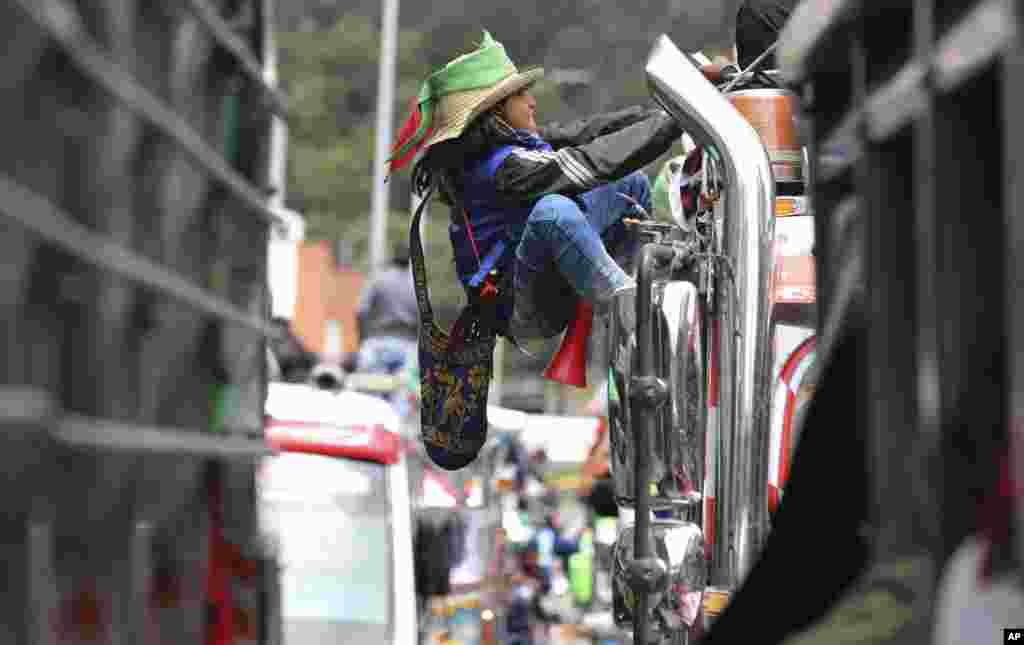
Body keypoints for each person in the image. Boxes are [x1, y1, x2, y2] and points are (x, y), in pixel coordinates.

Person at [390, 31, 683, 343]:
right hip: (519, 305)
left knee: (631, 185)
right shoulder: (505, 168)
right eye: (521, 95)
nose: (532, 101)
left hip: (547, 275)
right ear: (495, 112)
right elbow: (589, 163)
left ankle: (636, 288)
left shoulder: (518, 147)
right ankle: (627, 306)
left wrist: (678, 110)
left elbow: (587, 132)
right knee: (552, 211)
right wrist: (675, 123)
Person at [354, 243, 418, 374]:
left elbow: (360, 311)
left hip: (377, 342)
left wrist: (363, 340)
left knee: (370, 389)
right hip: (407, 345)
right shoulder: (417, 285)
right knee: (405, 390)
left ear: (393, 259)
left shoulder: (378, 280)